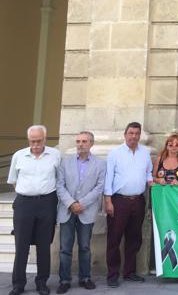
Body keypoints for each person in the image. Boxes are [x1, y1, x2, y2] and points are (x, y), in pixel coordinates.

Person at [8, 125, 61, 295]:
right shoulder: (19, 155)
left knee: (44, 245)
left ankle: (42, 282)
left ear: (45, 139)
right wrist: (28, 193)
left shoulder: (55, 155)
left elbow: (60, 180)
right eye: (32, 141)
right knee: (21, 245)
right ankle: (18, 284)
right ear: (28, 140)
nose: (36, 144)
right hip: (24, 203)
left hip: (47, 202)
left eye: (39, 141)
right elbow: (14, 180)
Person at [55, 131, 106, 294]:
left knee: (85, 246)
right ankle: (64, 280)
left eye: (84, 141)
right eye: (78, 141)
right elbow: (59, 185)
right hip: (67, 210)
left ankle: (85, 278)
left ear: (91, 143)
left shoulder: (100, 164)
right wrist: (71, 203)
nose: (80, 144)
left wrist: (81, 203)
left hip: (86, 211)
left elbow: (99, 187)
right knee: (65, 248)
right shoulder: (65, 162)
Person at [104, 122, 153, 288]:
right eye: (131, 133)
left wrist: (154, 182)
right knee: (114, 238)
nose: (134, 136)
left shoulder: (145, 153)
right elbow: (108, 178)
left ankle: (130, 272)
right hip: (119, 201)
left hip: (138, 201)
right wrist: (108, 201)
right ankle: (112, 274)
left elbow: (148, 174)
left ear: (139, 136)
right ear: (125, 134)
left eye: (137, 133)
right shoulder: (115, 153)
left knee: (134, 238)